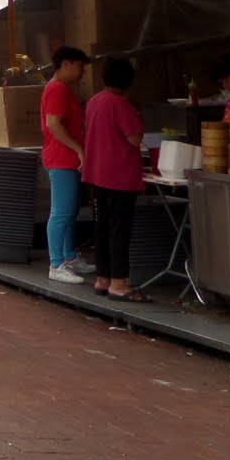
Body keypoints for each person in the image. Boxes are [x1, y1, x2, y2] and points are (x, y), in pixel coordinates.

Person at [82, 55, 147, 301]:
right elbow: (134, 138)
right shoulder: (122, 105)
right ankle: (119, 283)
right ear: (128, 81)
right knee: (120, 229)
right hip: (119, 175)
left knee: (102, 227)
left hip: (96, 173)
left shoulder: (93, 101)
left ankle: (103, 278)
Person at [41, 46, 90, 284]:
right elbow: (53, 124)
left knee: (69, 211)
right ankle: (56, 263)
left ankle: (68, 257)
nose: (82, 73)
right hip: (61, 158)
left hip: (67, 158)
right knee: (61, 212)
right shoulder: (57, 89)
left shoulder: (62, 89)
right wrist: (78, 148)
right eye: (80, 67)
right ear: (68, 64)